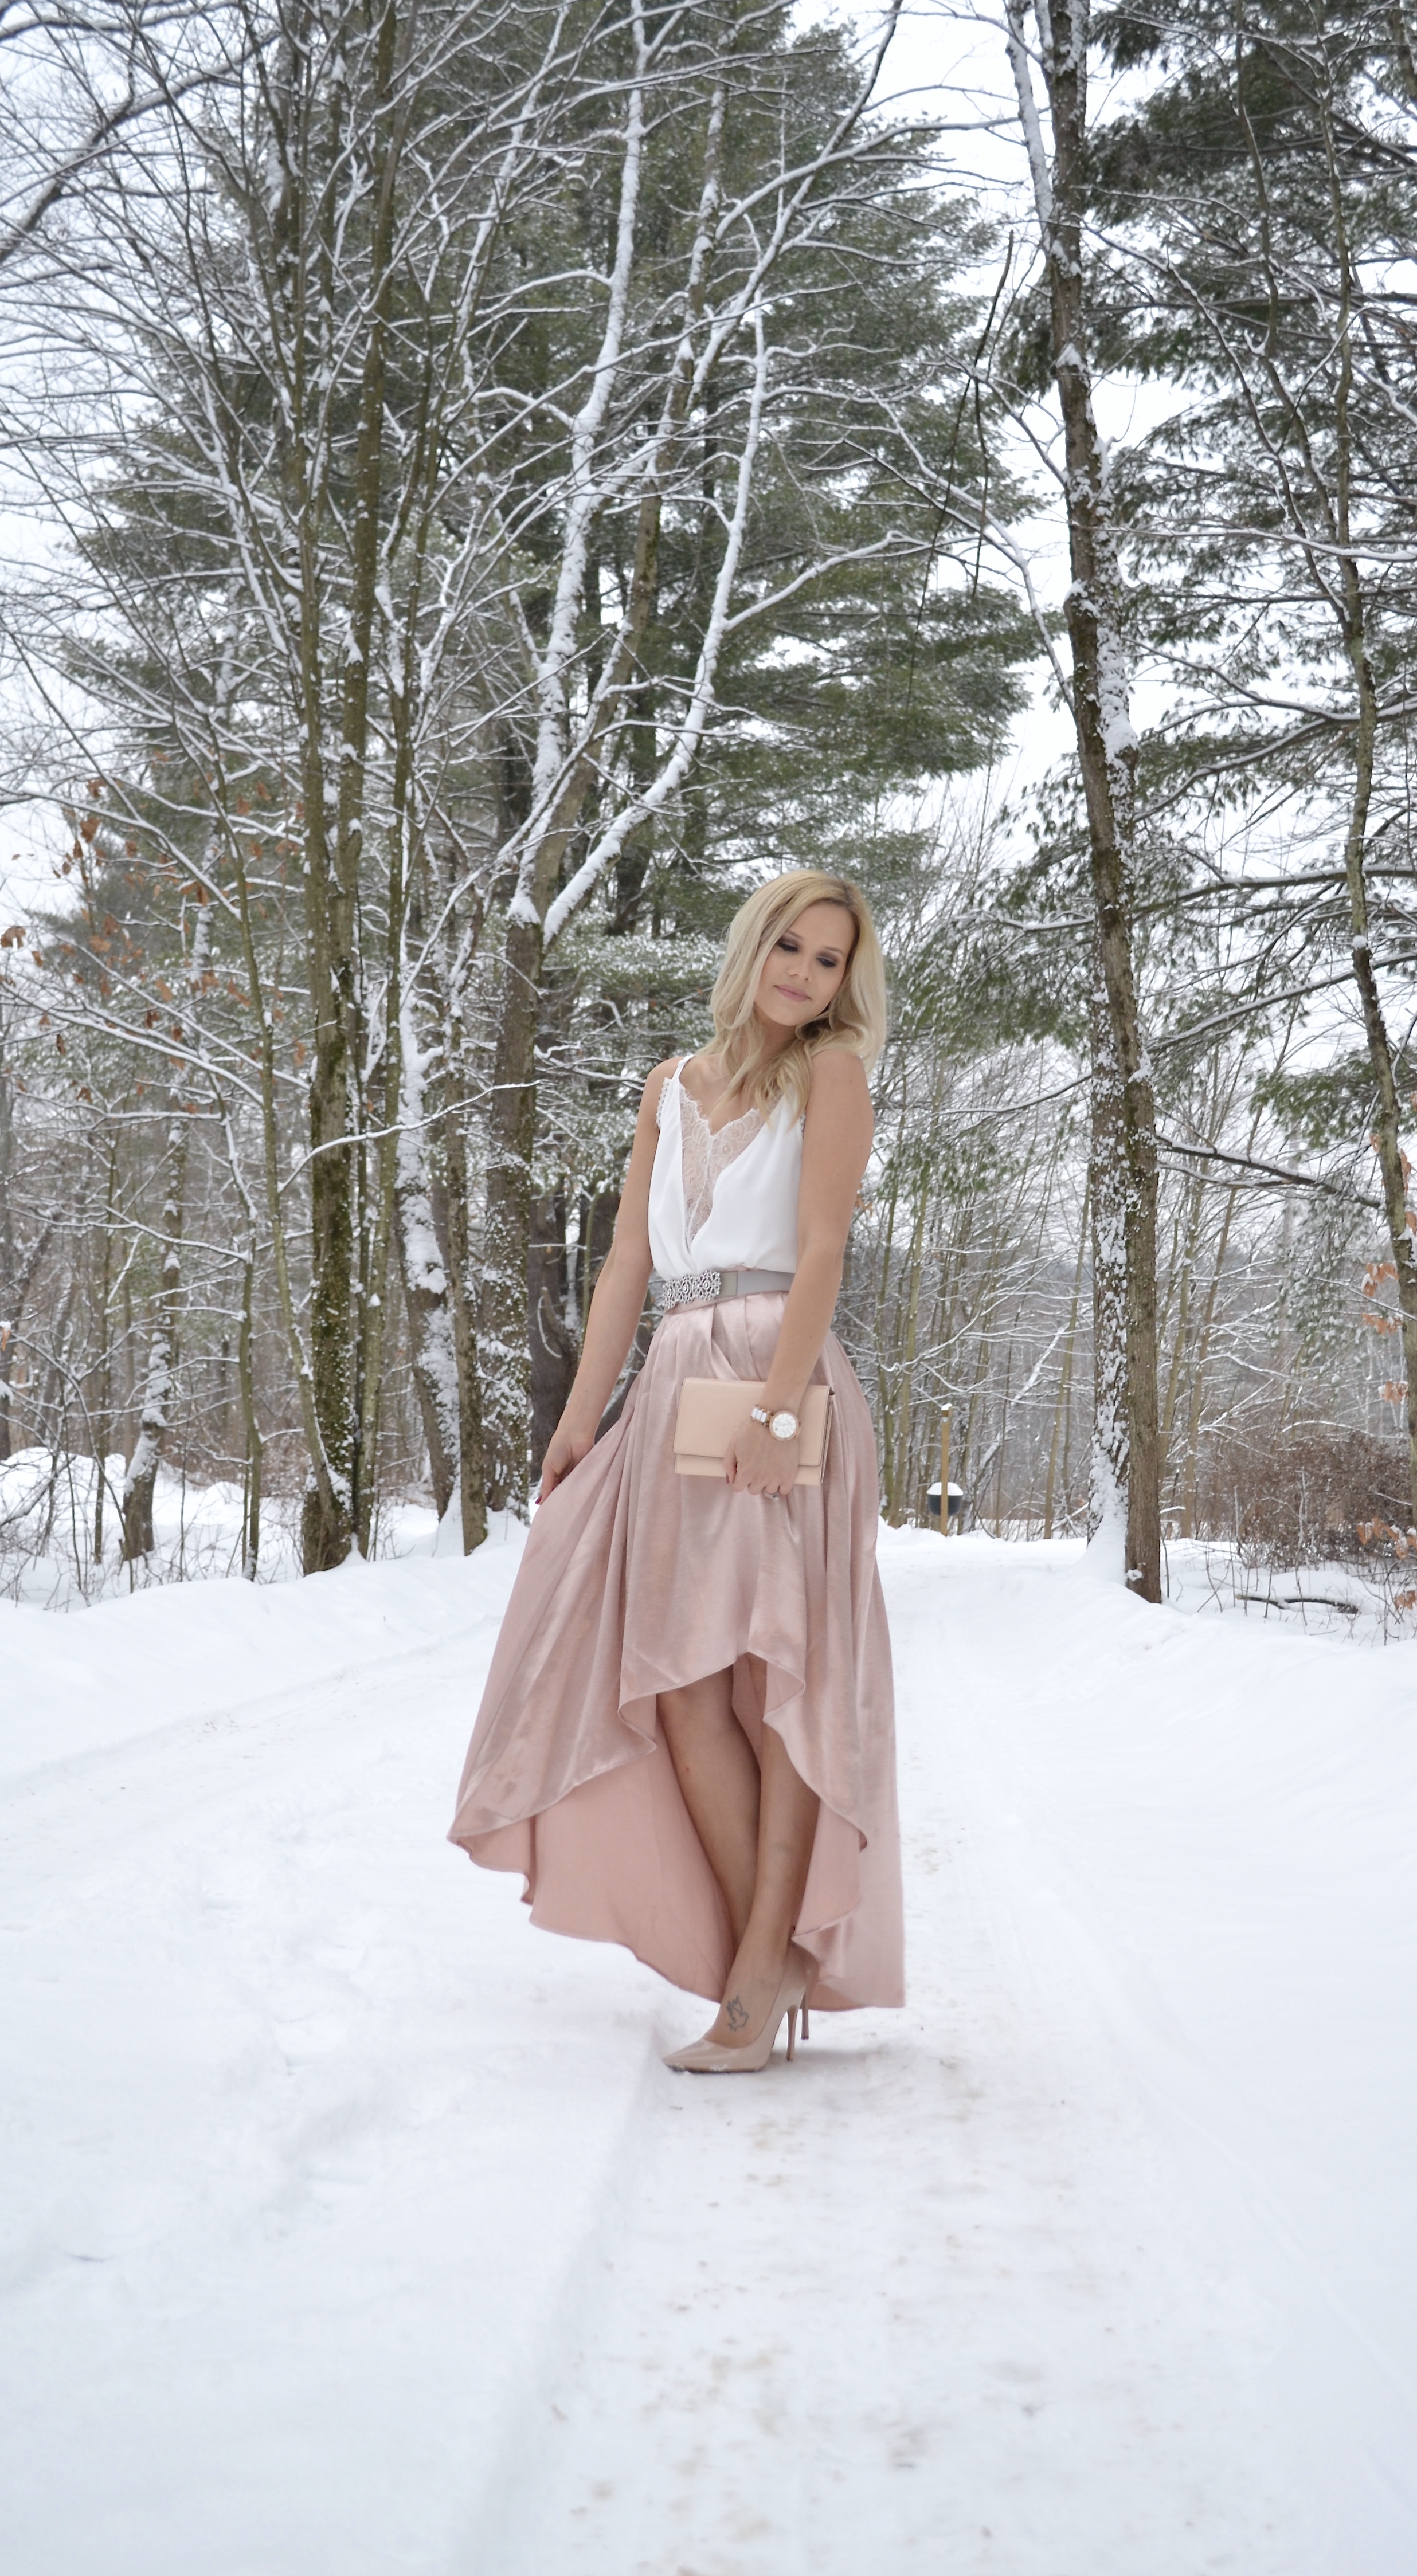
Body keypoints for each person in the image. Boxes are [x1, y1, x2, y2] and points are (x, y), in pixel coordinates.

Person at [449, 870, 903, 2072]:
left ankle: (758, 1983)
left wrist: (775, 1406)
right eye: (792, 949)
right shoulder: (671, 1087)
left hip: (777, 1375)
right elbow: (620, 1270)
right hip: (672, 1385)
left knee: (785, 1670)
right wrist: (580, 1417)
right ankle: (776, 1946)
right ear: (754, 946)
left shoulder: (834, 1078)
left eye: (830, 963)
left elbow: (821, 1254)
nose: (805, 976)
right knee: (684, 1682)